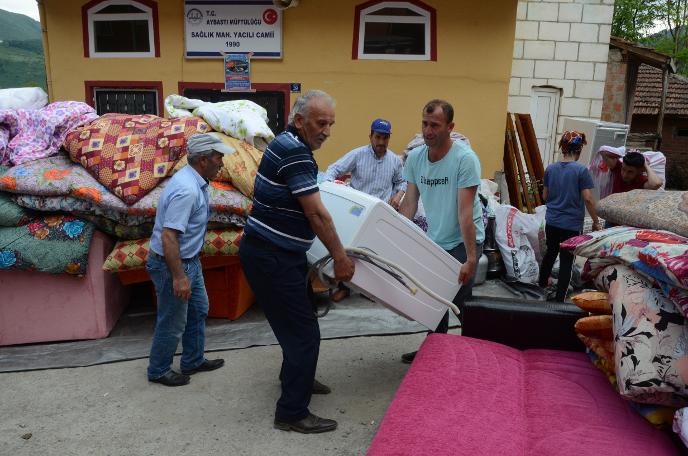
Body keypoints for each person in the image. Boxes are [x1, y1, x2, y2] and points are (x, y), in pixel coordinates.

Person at [239, 90, 355, 434]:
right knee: (305, 333)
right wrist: (340, 256)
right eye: (321, 123)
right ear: (300, 119)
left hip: (271, 254)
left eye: (331, 124)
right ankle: (291, 411)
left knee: (298, 322)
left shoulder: (288, 144)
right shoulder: (295, 153)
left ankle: (296, 377)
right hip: (272, 257)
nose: (327, 131)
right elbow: (316, 214)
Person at [398, 99, 485, 364]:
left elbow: (465, 213)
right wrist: (395, 242)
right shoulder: (415, 158)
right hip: (436, 239)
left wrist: (471, 259)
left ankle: (481, 350)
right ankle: (435, 350)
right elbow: (410, 204)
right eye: (425, 124)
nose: (427, 131)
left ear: (450, 127)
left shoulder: (465, 159)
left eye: (435, 125)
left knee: (459, 299)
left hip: (465, 238)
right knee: (435, 299)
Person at [146, 134, 231, 387]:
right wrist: (179, 277)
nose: (222, 163)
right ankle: (158, 370)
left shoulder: (196, 181)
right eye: (218, 157)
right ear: (203, 160)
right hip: (172, 265)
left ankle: (192, 360)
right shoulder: (187, 189)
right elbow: (169, 236)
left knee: (198, 309)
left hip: (189, 261)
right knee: (172, 321)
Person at [322, 118, 406, 302]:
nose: (381, 142)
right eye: (378, 137)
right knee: (349, 249)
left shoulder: (394, 161)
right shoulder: (358, 155)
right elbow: (333, 169)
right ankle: (344, 287)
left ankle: (370, 291)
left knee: (375, 252)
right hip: (356, 212)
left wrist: (397, 196)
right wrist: (331, 189)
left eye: (385, 138)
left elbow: (402, 182)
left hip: (380, 214)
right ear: (370, 136)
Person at [538, 131, 601, 302]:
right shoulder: (581, 170)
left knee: (550, 253)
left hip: (552, 221)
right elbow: (588, 198)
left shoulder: (550, 169)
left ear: (562, 148)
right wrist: (596, 221)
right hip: (571, 225)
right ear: (579, 150)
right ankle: (560, 299)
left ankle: (541, 286)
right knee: (567, 260)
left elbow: (545, 196)